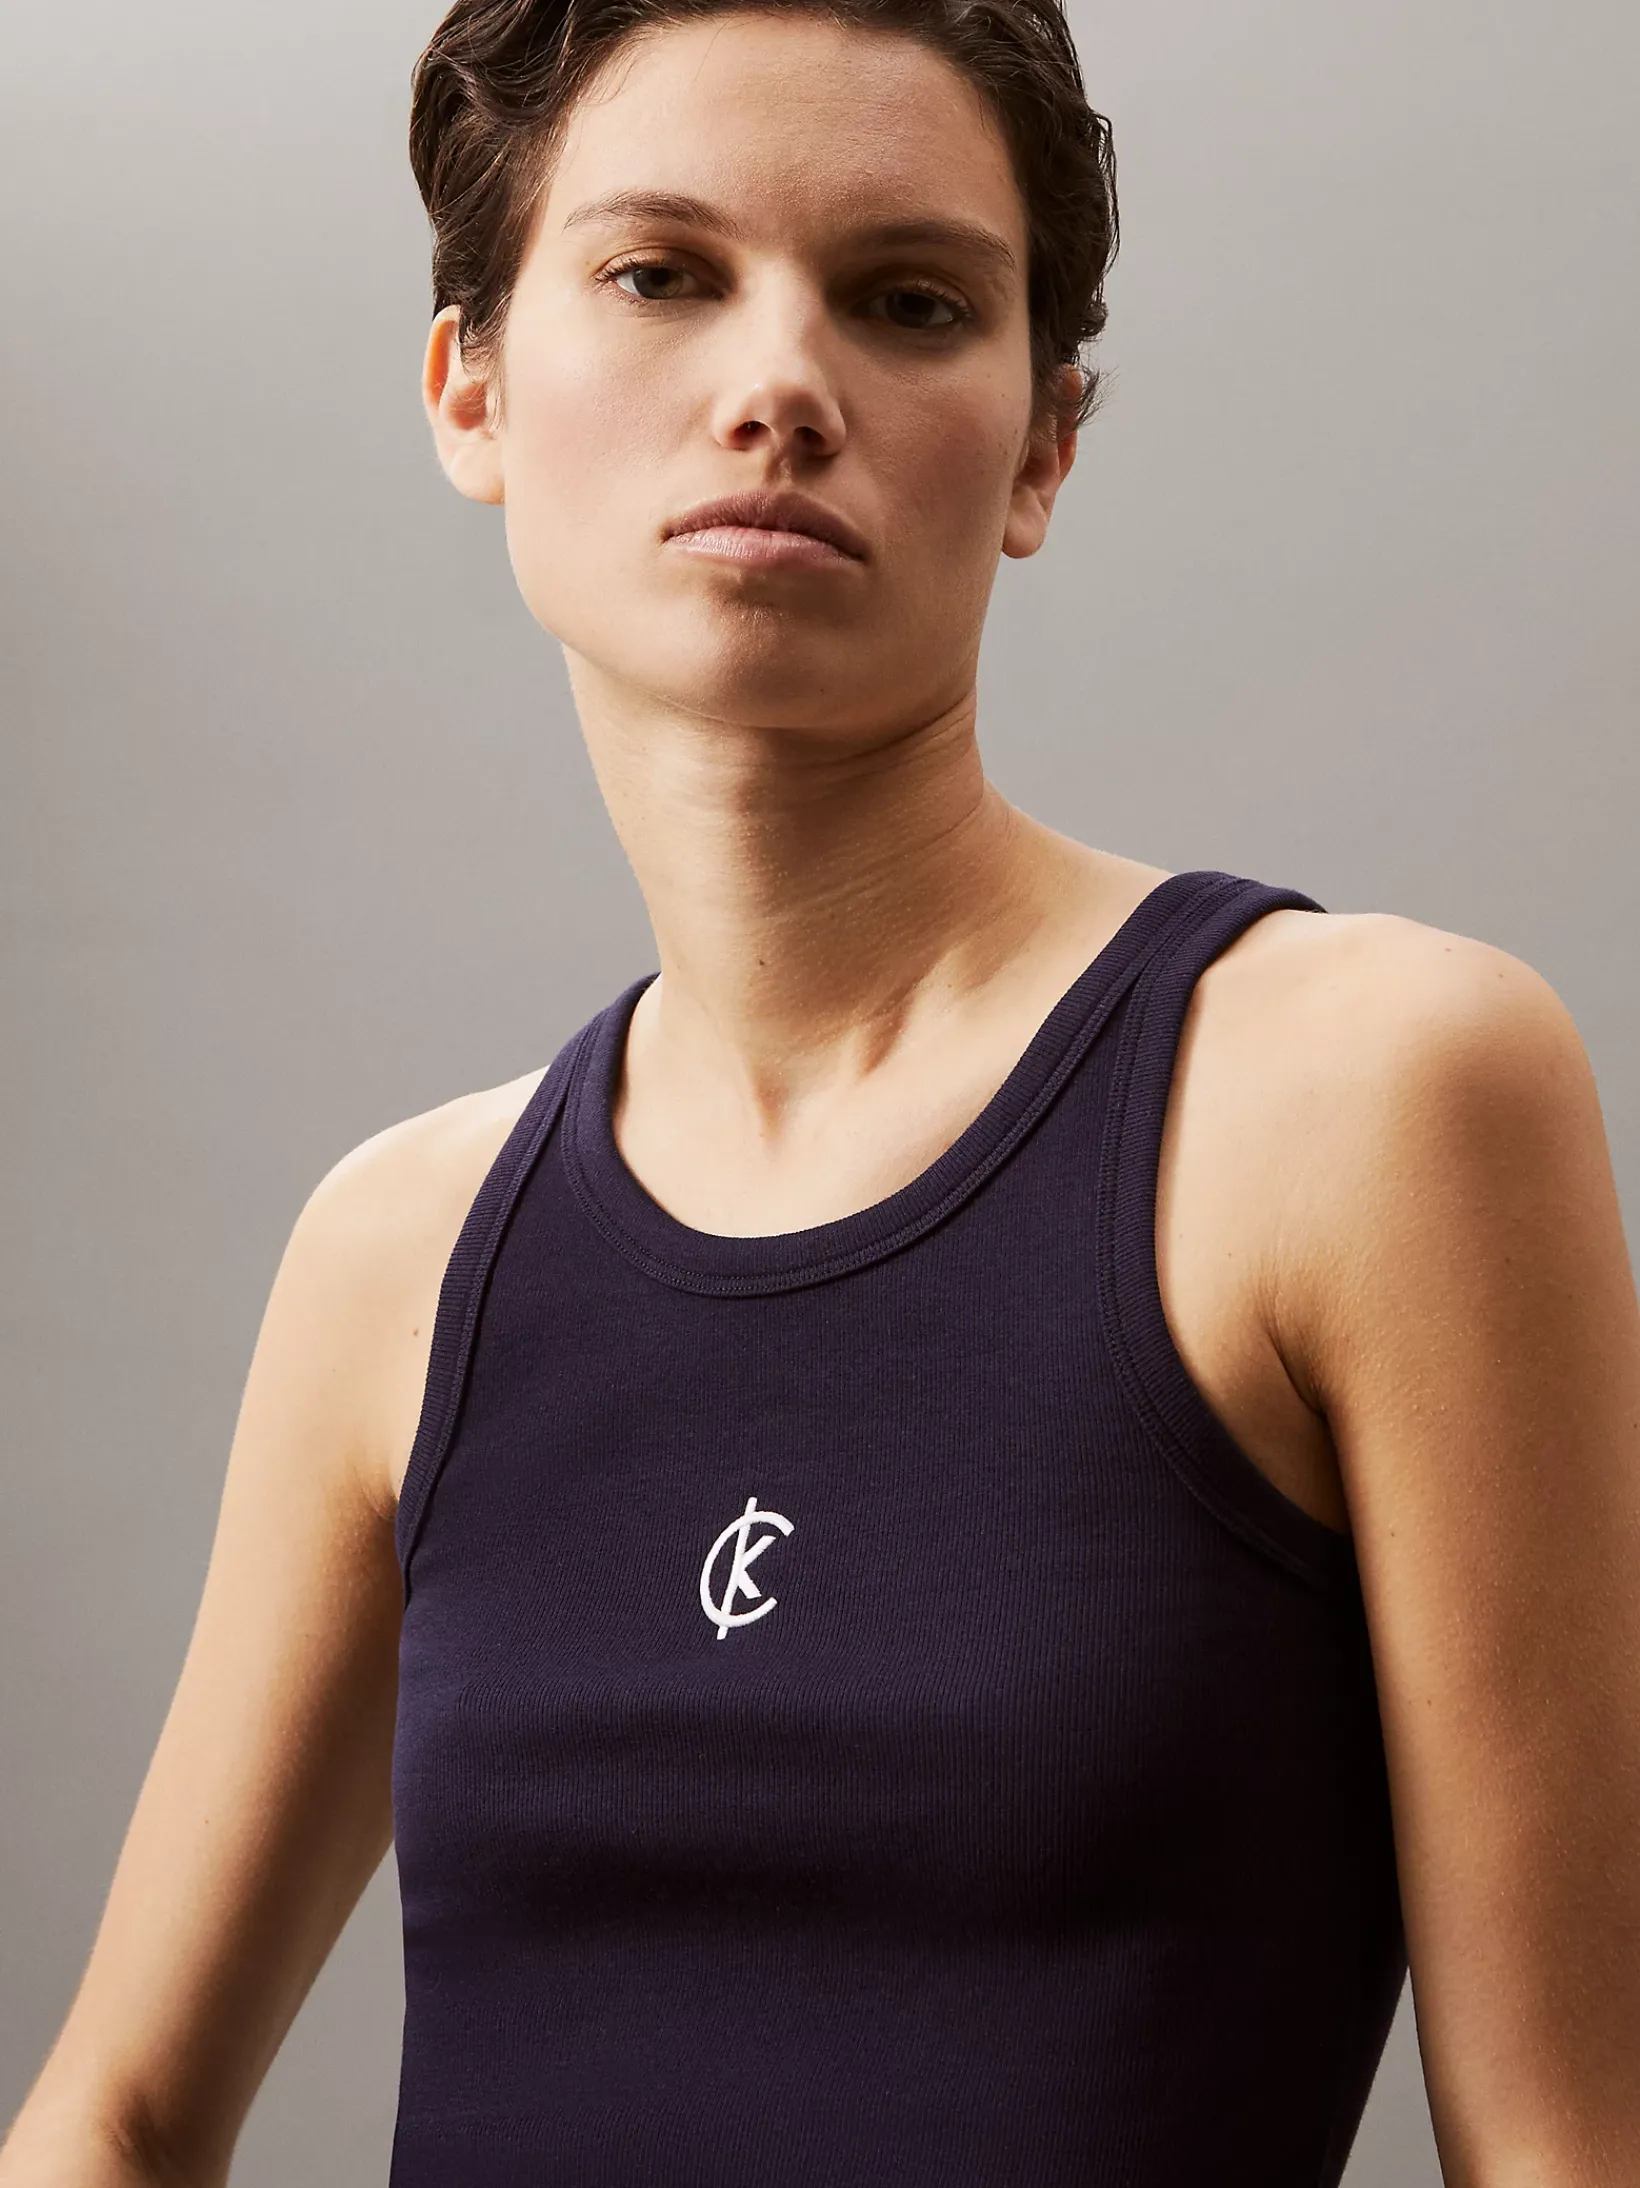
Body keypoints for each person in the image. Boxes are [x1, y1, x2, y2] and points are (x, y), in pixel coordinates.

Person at [5, 0, 1640, 2181]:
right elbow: (110, 2117)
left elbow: (1570, 2144)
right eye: (660, 272)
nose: (779, 382)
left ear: (1042, 446)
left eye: (909, 301)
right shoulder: (404, 1256)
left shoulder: (1368, 1099)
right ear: (469, 387)